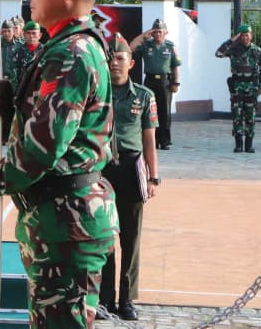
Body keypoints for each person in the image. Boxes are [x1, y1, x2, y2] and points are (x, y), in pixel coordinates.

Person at [0, 0, 117, 327]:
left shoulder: (71, 52)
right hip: (62, 221)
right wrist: (10, 112)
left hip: (66, 223)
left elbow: (43, 147)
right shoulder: (65, 45)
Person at [97, 33, 159, 322]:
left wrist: (153, 177)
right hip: (102, 170)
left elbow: (149, 139)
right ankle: (104, 298)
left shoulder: (144, 96)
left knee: (131, 238)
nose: (115, 63)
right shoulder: (97, 91)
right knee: (104, 235)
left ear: (131, 63)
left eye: (120, 58)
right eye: (111, 58)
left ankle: (127, 299)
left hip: (132, 169)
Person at [215, 23, 261, 153]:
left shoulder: (257, 51)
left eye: (247, 35)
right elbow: (219, 53)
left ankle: (249, 145)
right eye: (242, 35)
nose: (245, 37)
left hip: (252, 88)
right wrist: (232, 40)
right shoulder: (233, 49)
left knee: (250, 116)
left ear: (251, 36)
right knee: (237, 116)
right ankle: (238, 144)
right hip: (237, 87)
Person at [130, 19, 181, 150]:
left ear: (165, 32)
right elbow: (131, 48)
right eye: (155, 31)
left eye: (160, 31)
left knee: (165, 111)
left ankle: (164, 140)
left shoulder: (170, 46)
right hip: (150, 81)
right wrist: (144, 35)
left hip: (165, 82)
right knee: (149, 110)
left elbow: (175, 66)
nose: (158, 34)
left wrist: (176, 83)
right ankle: (152, 140)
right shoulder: (146, 45)